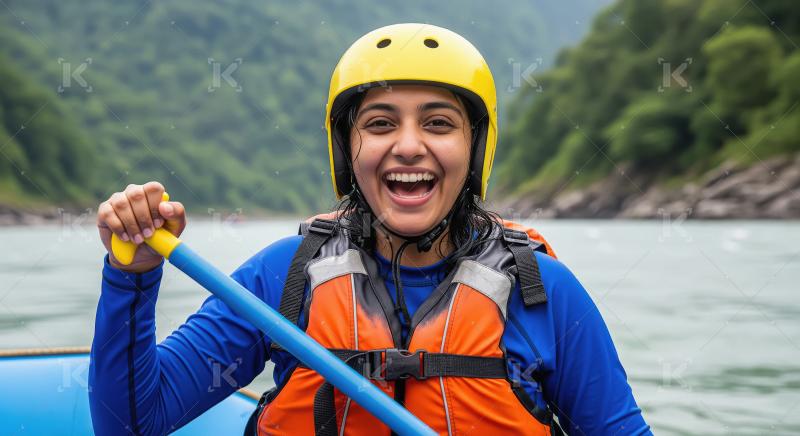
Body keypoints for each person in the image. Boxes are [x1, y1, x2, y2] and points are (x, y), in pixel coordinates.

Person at [90, 23, 651, 435]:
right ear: (347, 150)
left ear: (474, 148)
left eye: (438, 122)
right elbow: (132, 424)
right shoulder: (286, 276)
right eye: (379, 124)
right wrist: (131, 277)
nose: (408, 145)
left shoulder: (542, 292)